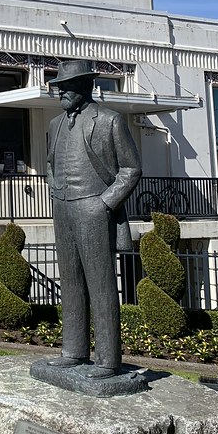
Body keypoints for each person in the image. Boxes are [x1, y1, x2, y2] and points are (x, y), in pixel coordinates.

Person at [46, 59, 141, 378]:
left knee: (101, 285)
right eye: (58, 87)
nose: (61, 93)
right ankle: (73, 351)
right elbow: (49, 163)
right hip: (63, 208)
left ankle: (108, 360)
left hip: (94, 209)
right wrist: (55, 188)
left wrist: (104, 203)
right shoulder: (54, 124)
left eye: (67, 87)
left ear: (85, 87)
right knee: (70, 282)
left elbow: (131, 169)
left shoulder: (110, 121)